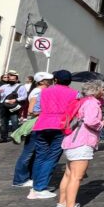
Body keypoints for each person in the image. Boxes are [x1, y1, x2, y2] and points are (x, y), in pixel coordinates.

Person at [56, 80, 104, 207]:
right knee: (77, 177)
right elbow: (91, 121)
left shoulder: (81, 100)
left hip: (71, 140)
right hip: (82, 141)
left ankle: (62, 203)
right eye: (102, 89)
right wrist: (102, 123)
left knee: (68, 175)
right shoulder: (92, 103)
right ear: (96, 90)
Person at [27, 70, 77, 199]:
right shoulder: (74, 94)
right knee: (52, 157)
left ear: (55, 80)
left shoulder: (44, 91)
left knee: (40, 156)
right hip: (60, 125)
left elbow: (35, 110)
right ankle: (40, 187)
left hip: (42, 124)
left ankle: (36, 185)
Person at [12, 72, 53, 187]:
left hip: (39, 123)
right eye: (47, 80)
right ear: (41, 81)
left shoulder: (40, 91)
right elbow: (31, 110)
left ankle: (27, 177)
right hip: (36, 123)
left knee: (33, 152)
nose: (50, 82)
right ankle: (19, 179)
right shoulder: (38, 91)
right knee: (28, 153)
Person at [0, 70, 27, 143]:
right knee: (3, 122)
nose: (11, 80)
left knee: (14, 122)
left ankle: (15, 137)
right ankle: (3, 138)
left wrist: (15, 100)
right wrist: (0, 93)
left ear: (16, 79)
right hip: (3, 106)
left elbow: (24, 97)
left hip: (13, 106)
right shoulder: (3, 86)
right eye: (10, 79)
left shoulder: (20, 87)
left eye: (13, 79)